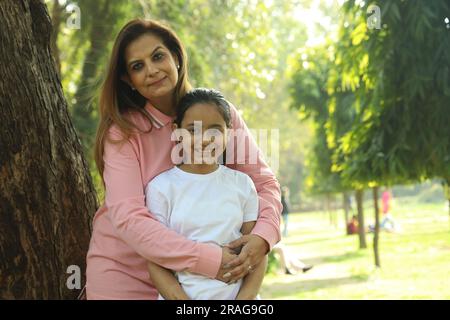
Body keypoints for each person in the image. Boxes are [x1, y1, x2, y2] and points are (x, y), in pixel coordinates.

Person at [85, 19, 282, 299]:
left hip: (210, 284)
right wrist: (207, 259)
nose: (152, 70)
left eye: (158, 56)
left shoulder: (220, 114)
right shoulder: (123, 133)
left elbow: (263, 182)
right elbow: (129, 218)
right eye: (137, 66)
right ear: (127, 80)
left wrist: (263, 236)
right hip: (127, 276)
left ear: (176, 57)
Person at [145, 88, 267, 300]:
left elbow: (256, 252)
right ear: (177, 131)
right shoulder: (161, 188)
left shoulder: (242, 184)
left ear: (229, 132)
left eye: (215, 130)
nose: (204, 140)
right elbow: (155, 259)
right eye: (193, 130)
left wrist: (244, 301)